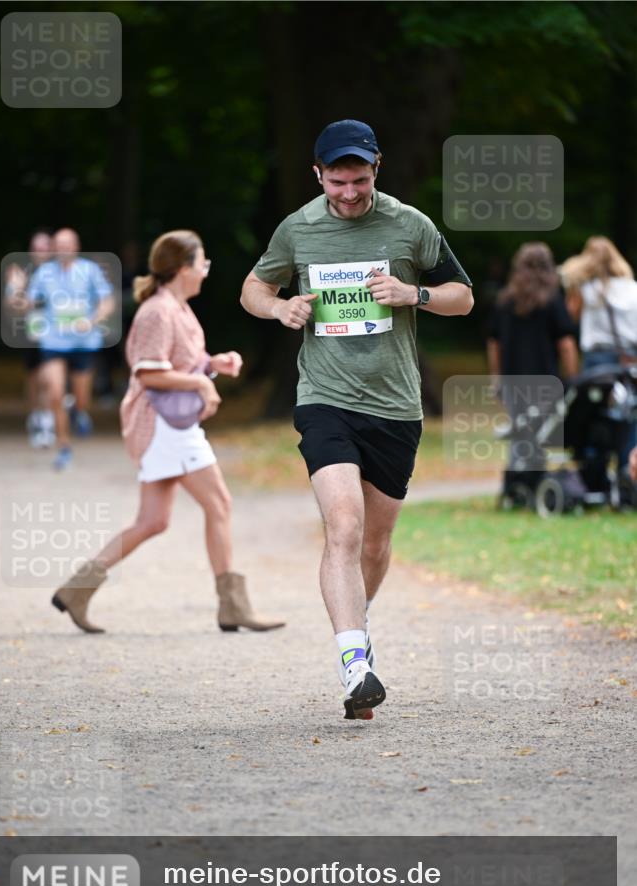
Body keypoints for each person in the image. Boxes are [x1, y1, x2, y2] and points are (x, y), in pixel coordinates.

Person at [240, 119, 473, 721]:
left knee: (375, 541)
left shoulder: (410, 225)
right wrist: (280, 308)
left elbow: (463, 296)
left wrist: (414, 294)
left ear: (377, 170)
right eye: (337, 181)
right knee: (343, 525)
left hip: (395, 406)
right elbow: (252, 289)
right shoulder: (297, 228)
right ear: (318, 174)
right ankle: (354, 664)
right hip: (325, 397)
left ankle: (357, 630)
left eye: (360, 180)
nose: (349, 193)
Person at [51, 229, 284, 636]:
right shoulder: (157, 311)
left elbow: (179, 361)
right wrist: (200, 384)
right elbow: (148, 372)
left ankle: (77, 590)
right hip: (164, 426)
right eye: (201, 262)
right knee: (219, 504)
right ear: (181, 268)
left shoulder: (177, 308)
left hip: (170, 425)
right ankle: (232, 606)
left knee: (152, 521)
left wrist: (213, 365)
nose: (206, 270)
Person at [487, 242, 578, 495]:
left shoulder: (505, 301)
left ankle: (516, 484)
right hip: (546, 380)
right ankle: (532, 483)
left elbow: (494, 343)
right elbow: (566, 344)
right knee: (541, 432)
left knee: (520, 430)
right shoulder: (553, 301)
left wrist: (496, 377)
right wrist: (573, 378)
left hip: (513, 381)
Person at [25, 228, 116, 470]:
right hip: (53, 342)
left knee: (82, 398)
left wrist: (92, 321)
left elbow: (107, 301)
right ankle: (64, 447)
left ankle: (78, 410)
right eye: (59, 244)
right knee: (55, 393)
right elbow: (28, 303)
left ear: (76, 246)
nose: (63, 248)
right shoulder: (44, 273)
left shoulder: (90, 270)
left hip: (84, 343)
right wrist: (16, 290)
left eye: (68, 244)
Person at [560, 236, 637, 486]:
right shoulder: (632, 288)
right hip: (629, 361)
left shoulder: (586, 289)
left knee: (593, 417)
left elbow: (570, 314)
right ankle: (628, 475)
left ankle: (594, 475)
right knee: (628, 418)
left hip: (598, 362)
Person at [3, 230, 55, 448]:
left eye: (45, 247)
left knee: (48, 377)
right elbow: (12, 306)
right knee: (34, 377)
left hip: (57, 334)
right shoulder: (22, 272)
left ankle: (47, 420)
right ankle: (36, 417)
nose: (41, 252)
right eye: (37, 248)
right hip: (32, 332)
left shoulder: (61, 271)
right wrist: (16, 288)